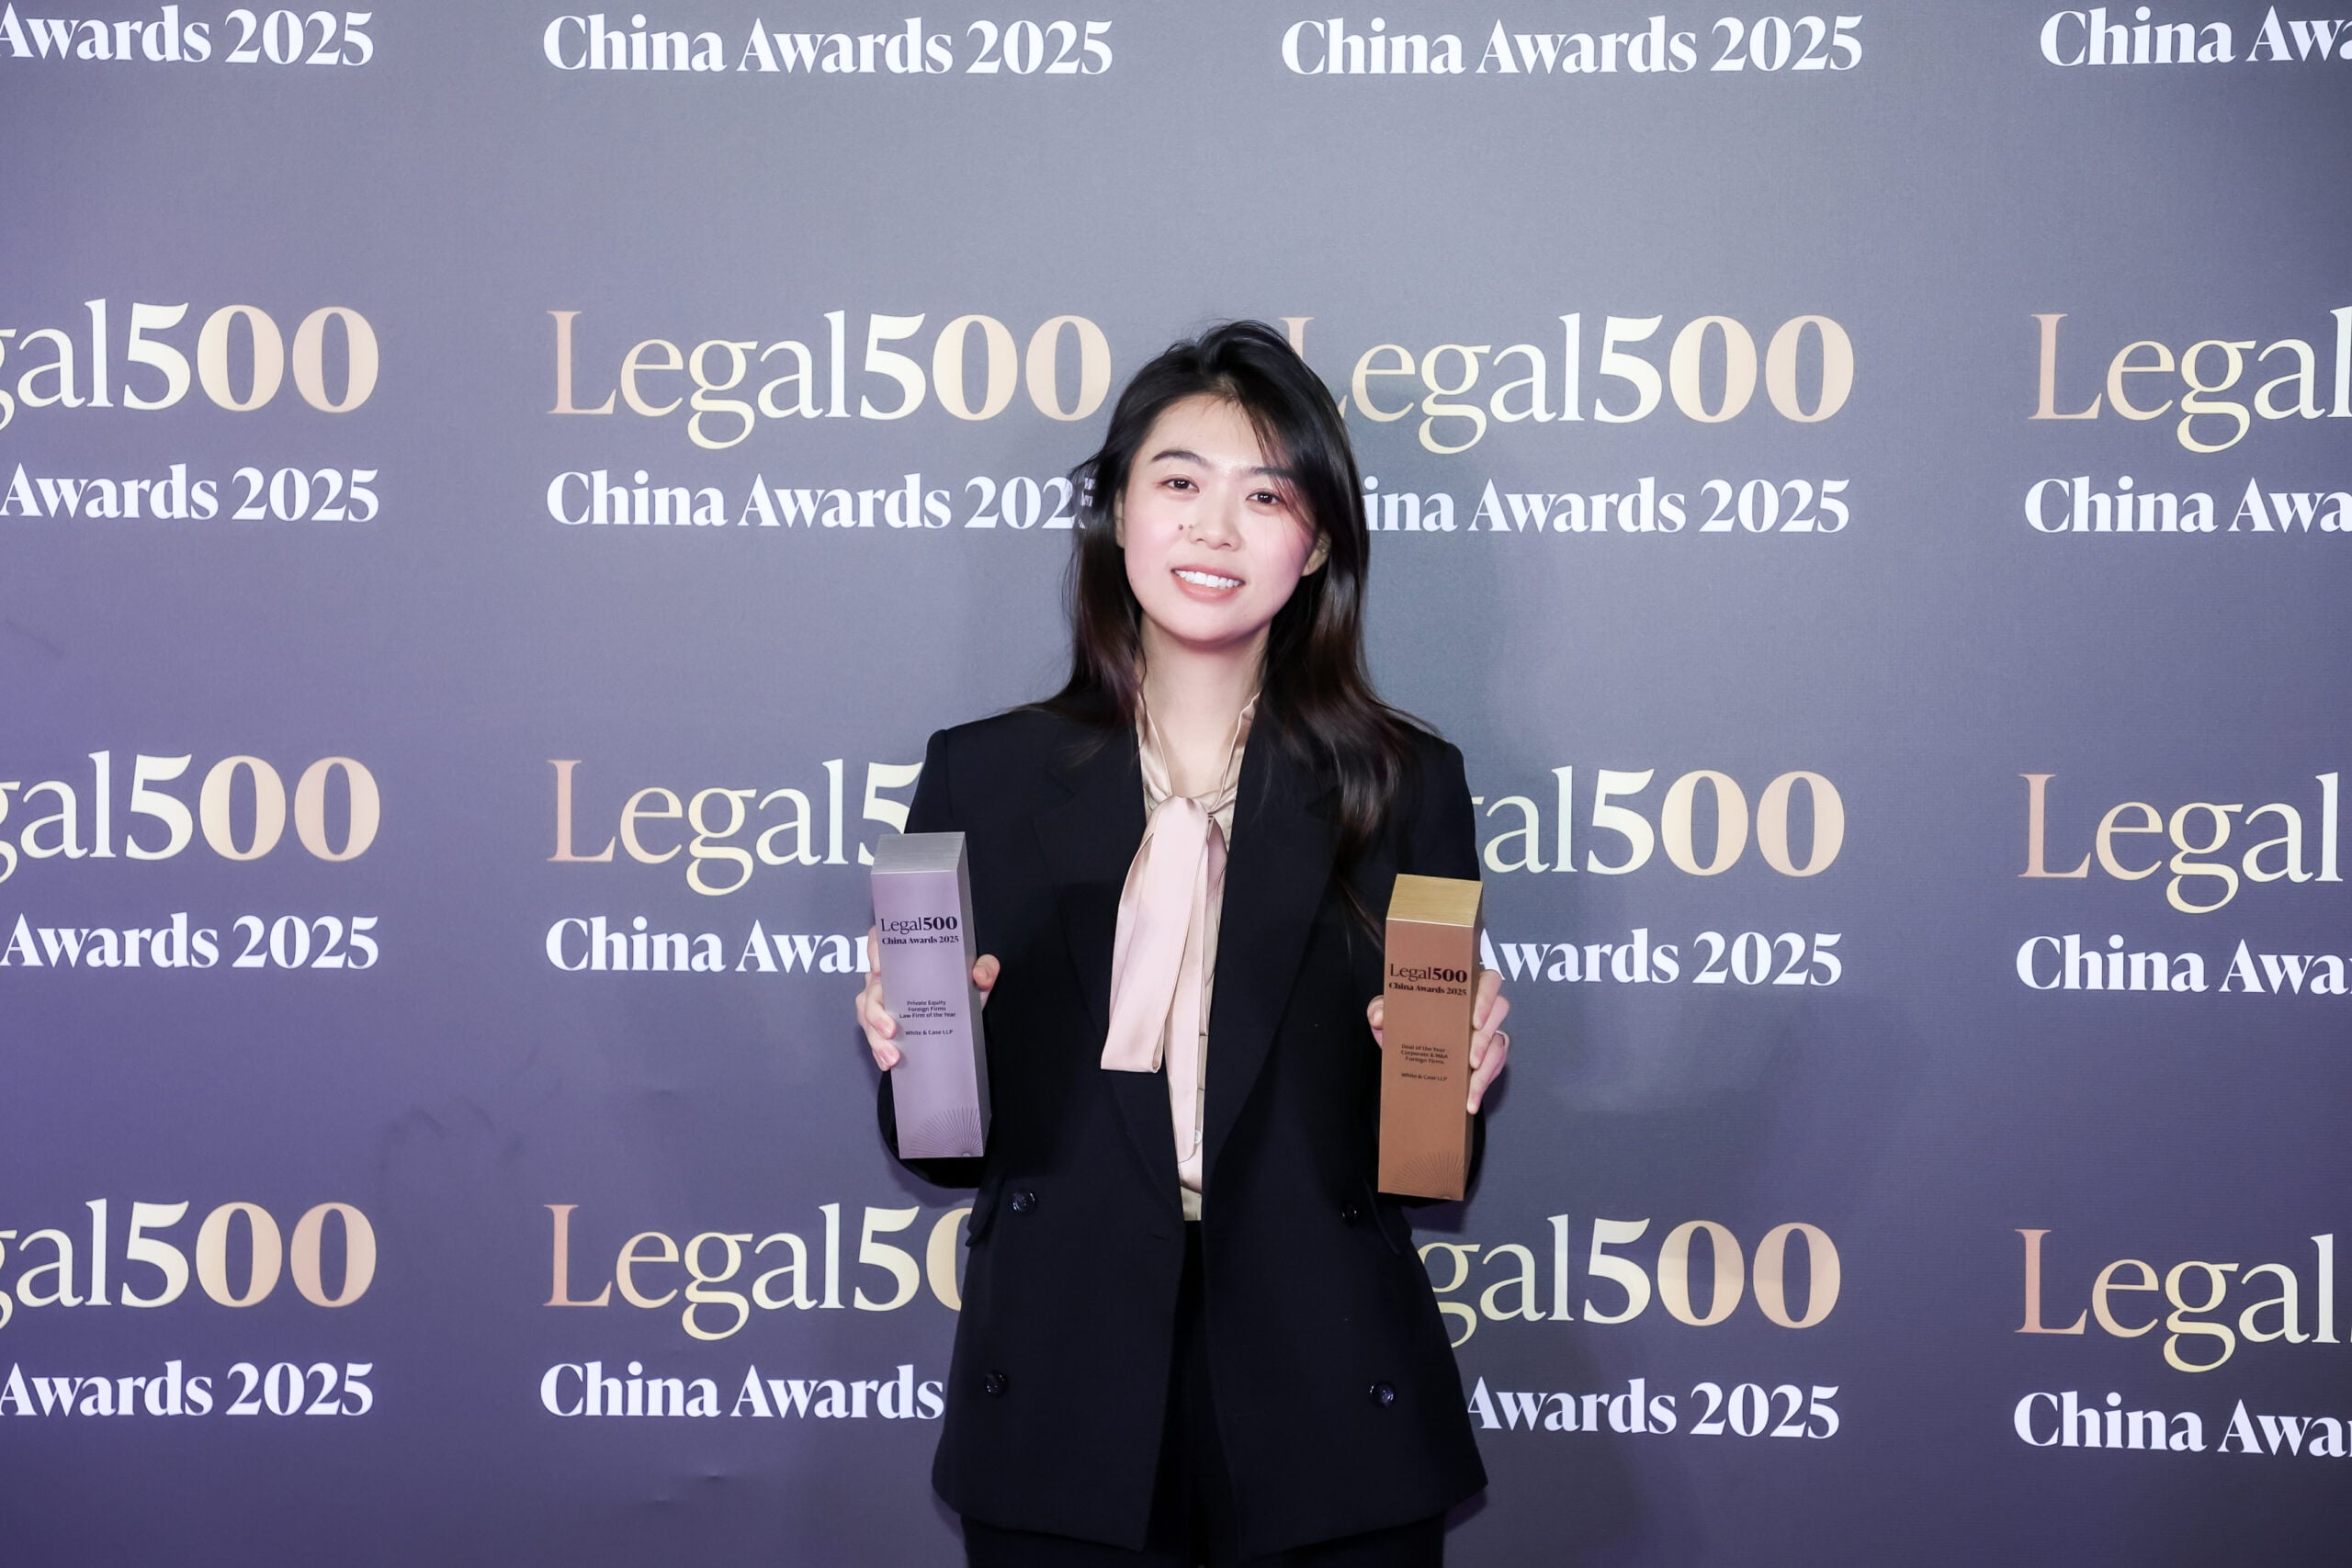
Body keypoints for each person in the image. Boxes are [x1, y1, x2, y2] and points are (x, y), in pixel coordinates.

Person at [854, 321, 1511, 1567]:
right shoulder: (984, 777)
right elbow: (941, 1150)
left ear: (1318, 543)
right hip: (1061, 1393)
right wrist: (920, 1045)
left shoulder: (1404, 785)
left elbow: (1426, 1164)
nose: (1215, 530)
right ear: (1117, 512)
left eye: (1266, 495)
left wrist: (1448, 1072)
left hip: (1330, 1399)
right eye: (1179, 482)